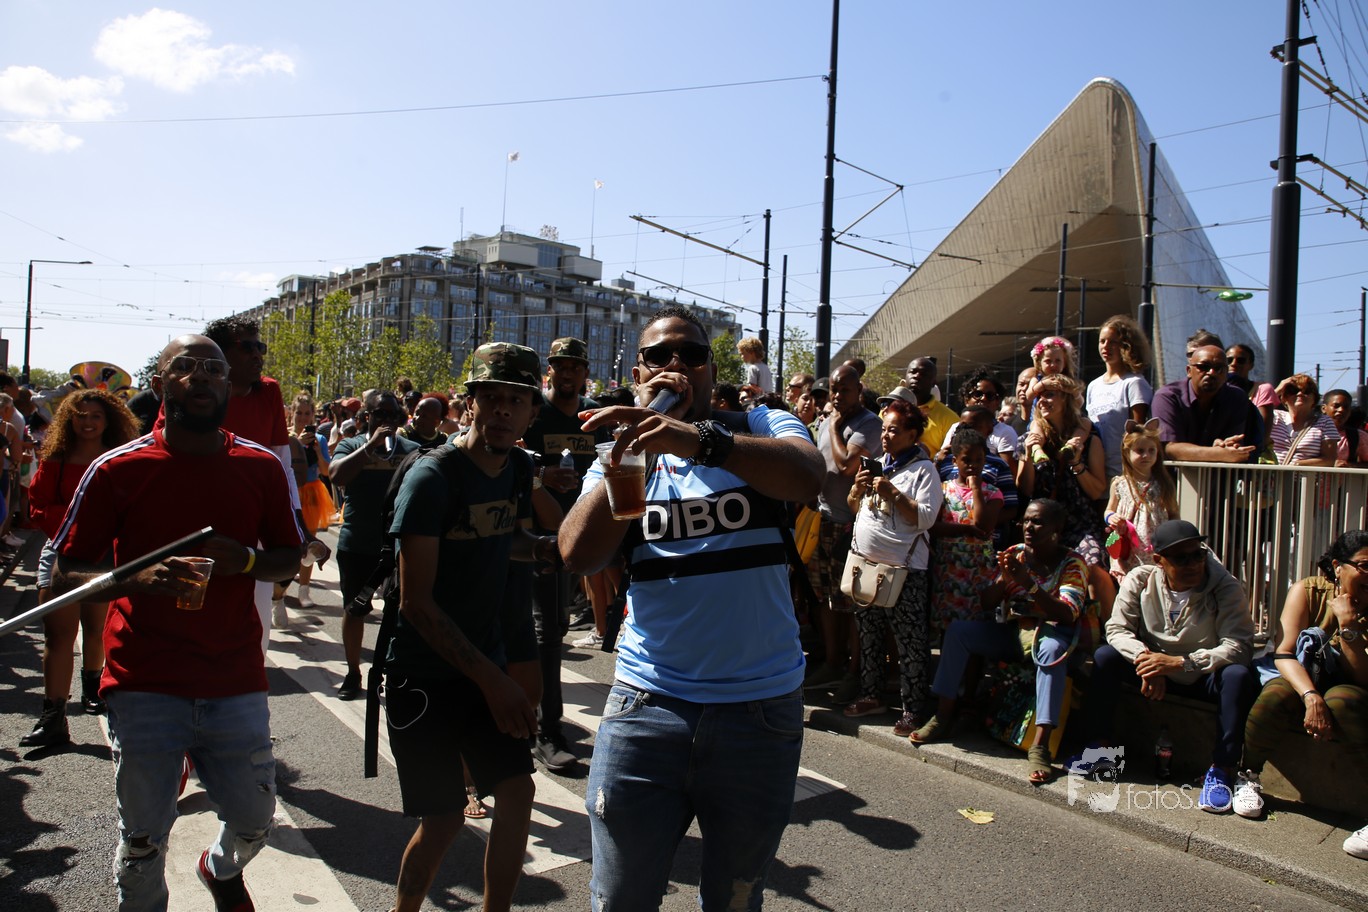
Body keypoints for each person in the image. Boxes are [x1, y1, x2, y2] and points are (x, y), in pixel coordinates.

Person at [559, 305, 823, 910]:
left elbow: (808, 477)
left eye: (692, 354)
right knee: (621, 898)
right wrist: (633, 450)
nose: (676, 364)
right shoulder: (622, 449)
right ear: (637, 373)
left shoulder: (760, 421)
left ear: (712, 370)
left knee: (734, 898)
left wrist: (697, 439)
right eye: (658, 356)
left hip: (760, 709)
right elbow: (578, 554)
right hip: (646, 705)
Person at [52, 334, 303, 910]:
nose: (201, 376)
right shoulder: (117, 468)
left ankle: (220, 867)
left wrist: (244, 561)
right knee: (143, 838)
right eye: (185, 367)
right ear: (160, 383)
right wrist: (137, 578)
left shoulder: (261, 466)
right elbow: (67, 568)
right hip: (143, 679)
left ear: (228, 385)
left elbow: (290, 555)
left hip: (233, 677)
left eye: (213, 368)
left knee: (254, 819)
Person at [384, 342, 557, 912]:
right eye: (493, 397)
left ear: (532, 412)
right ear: (470, 403)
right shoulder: (432, 477)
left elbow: (508, 539)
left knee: (517, 792)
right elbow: (417, 604)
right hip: (423, 675)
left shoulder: (520, 469)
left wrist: (548, 548)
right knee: (443, 820)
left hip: (485, 666)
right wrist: (495, 680)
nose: (504, 409)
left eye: (518, 400)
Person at [1077, 520, 1256, 814]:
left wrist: (1180, 663)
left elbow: (1239, 645)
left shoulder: (1225, 587)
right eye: (1181, 558)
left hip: (1201, 674)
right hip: (1154, 668)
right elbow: (1117, 629)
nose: (1193, 564)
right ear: (1159, 560)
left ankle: (1222, 770)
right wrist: (1147, 662)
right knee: (1106, 657)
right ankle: (1101, 750)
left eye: (1197, 555)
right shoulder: (1140, 579)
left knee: (1237, 675)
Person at [912, 498, 1086, 785]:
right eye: (1026, 520)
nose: (1029, 527)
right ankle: (942, 717)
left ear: (1056, 529)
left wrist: (1028, 584)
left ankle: (1040, 745)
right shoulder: (1015, 553)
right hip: (1014, 634)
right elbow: (986, 602)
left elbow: (1067, 613)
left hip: (1052, 635)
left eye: (1037, 522)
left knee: (1050, 650)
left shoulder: (1072, 563)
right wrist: (1004, 580)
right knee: (958, 632)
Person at [19, 390, 140, 747]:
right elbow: (38, 505)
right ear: (68, 419)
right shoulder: (56, 458)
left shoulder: (120, 459)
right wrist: (72, 529)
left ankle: (93, 688)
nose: (87, 422)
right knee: (57, 634)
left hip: (105, 555)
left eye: (95, 416)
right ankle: (53, 717)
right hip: (61, 553)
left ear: (108, 421)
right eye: (80, 415)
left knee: (96, 627)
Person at [1242, 531, 1368, 848]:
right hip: (1306, 678)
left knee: (1341, 700)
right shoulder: (1308, 590)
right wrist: (1311, 698)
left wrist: (1349, 627)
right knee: (1277, 692)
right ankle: (1247, 776)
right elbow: (1284, 653)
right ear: (1338, 566)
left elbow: (1363, 678)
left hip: (1353, 687)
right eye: (1365, 566)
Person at [520, 336, 605, 771]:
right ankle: (546, 729)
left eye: (576, 366)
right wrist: (542, 474)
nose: (568, 373)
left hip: (580, 539)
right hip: (536, 538)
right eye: (561, 365)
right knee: (546, 632)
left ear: (585, 372)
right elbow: (510, 458)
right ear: (549, 370)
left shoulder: (593, 415)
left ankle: (530, 716)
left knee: (554, 625)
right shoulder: (535, 412)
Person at [842, 398, 943, 735]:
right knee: (869, 635)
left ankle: (913, 708)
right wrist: (856, 490)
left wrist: (894, 493)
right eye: (884, 429)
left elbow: (925, 519)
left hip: (904, 570)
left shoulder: (924, 470)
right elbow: (854, 507)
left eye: (894, 431)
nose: (885, 436)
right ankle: (871, 695)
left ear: (912, 435)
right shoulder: (876, 465)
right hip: (865, 565)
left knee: (910, 641)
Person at [328, 391, 420, 699]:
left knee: (404, 613)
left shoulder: (410, 450)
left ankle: (394, 675)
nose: (386, 421)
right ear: (366, 416)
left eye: (392, 415)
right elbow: (336, 476)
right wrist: (370, 446)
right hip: (357, 543)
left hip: (397, 546)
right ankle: (353, 672)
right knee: (354, 609)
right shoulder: (351, 445)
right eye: (380, 414)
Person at [804, 364, 883, 700]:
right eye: (834, 389)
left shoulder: (869, 424)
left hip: (851, 526)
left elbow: (847, 465)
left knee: (851, 601)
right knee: (824, 597)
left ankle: (854, 671)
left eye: (844, 390)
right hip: (822, 521)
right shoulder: (827, 420)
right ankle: (832, 662)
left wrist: (835, 427)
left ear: (859, 390)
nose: (837, 396)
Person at [1152, 342, 1264, 464]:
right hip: (1175, 474)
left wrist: (1226, 446)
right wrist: (1217, 453)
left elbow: (1232, 446)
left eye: (1219, 368)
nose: (1212, 372)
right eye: (1204, 367)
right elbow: (1169, 448)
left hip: (1217, 474)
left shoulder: (1237, 397)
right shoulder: (1168, 396)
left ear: (1226, 373)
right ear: (1189, 371)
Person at [1103, 419, 1177, 580]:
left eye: (1151, 450)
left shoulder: (1163, 483)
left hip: (1156, 546)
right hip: (1128, 547)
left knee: (1156, 582)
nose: (1146, 455)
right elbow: (1109, 509)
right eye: (1140, 450)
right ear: (1127, 452)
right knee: (1131, 584)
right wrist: (1111, 517)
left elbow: (1173, 513)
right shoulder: (1120, 484)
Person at [1086, 314, 1153, 478]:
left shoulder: (1134, 383)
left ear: (1127, 346)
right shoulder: (1093, 386)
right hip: (1097, 472)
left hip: (1125, 472)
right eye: (1102, 341)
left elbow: (1139, 432)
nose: (1106, 346)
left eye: (1113, 342)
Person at [284, 392, 333, 611]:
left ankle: (304, 590)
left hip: (312, 493)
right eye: (299, 413)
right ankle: (280, 590)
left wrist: (318, 452)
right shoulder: (284, 436)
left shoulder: (319, 439)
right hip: (289, 492)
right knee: (287, 542)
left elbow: (326, 471)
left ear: (313, 415)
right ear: (292, 414)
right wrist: (295, 443)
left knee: (309, 545)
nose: (303, 418)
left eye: (307, 413)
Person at [1270, 374, 1339, 467]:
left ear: (1314, 398)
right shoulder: (1274, 416)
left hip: (1304, 476)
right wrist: (1277, 390)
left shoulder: (1325, 422)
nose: (1300, 394)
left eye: (1307, 391)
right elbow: (1253, 414)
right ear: (1284, 398)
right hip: (1271, 476)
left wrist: (1297, 465)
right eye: (1293, 391)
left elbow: (1329, 460)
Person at [902, 357, 958, 454]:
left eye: (924, 374)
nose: (917, 376)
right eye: (913, 372)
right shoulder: (889, 410)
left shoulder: (950, 418)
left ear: (934, 383)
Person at [1225, 342, 1279, 433]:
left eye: (1241, 360)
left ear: (1251, 365)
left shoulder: (1262, 389)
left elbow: (1263, 431)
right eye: (1229, 360)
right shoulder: (1216, 389)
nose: (1234, 364)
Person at [1322, 388, 1368, 466]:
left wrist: (1348, 465)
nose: (1341, 410)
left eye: (1346, 407)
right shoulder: (1311, 433)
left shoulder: (1358, 436)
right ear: (1324, 409)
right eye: (1336, 406)